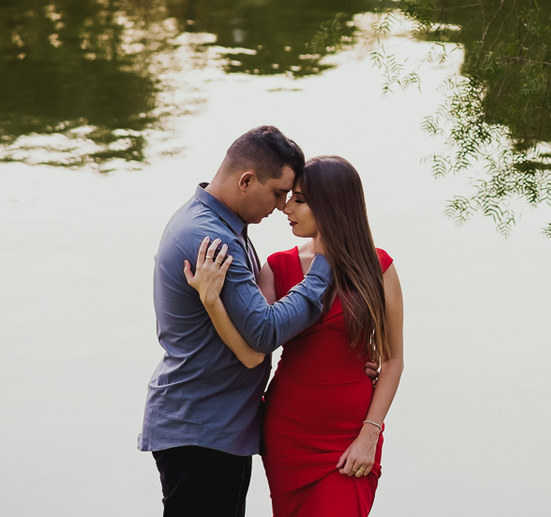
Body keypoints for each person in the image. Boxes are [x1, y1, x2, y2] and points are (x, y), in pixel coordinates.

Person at [139, 126, 344, 517]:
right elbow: (264, 330)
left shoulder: (219, 225)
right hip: (201, 430)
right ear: (246, 180)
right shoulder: (209, 238)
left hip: (217, 429)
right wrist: (322, 270)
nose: (282, 206)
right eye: (279, 193)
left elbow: (253, 341)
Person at [186, 155, 404, 517]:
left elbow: (393, 360)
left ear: (332, 205)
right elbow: (253, 352)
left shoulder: (379, 268)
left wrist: (370, 434)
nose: (286, 208)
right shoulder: (278, 266)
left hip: (351, 435)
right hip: (288, 435)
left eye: (299, 200)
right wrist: (211, 301)